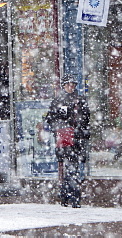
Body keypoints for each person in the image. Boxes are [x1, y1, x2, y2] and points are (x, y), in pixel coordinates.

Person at [44, 77, 90, 207]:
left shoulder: (80, 100)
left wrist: (81, 131)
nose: (71, 87)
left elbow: (86, 118)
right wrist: (61, 129)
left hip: (75, 138)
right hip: (66, 138)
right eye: (69, 85)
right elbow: (52, 119)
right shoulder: (59, 100)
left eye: (73, 85)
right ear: (64, 86)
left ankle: (66, 196)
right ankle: (73, 197)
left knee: (72, 168)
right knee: (71, 168)